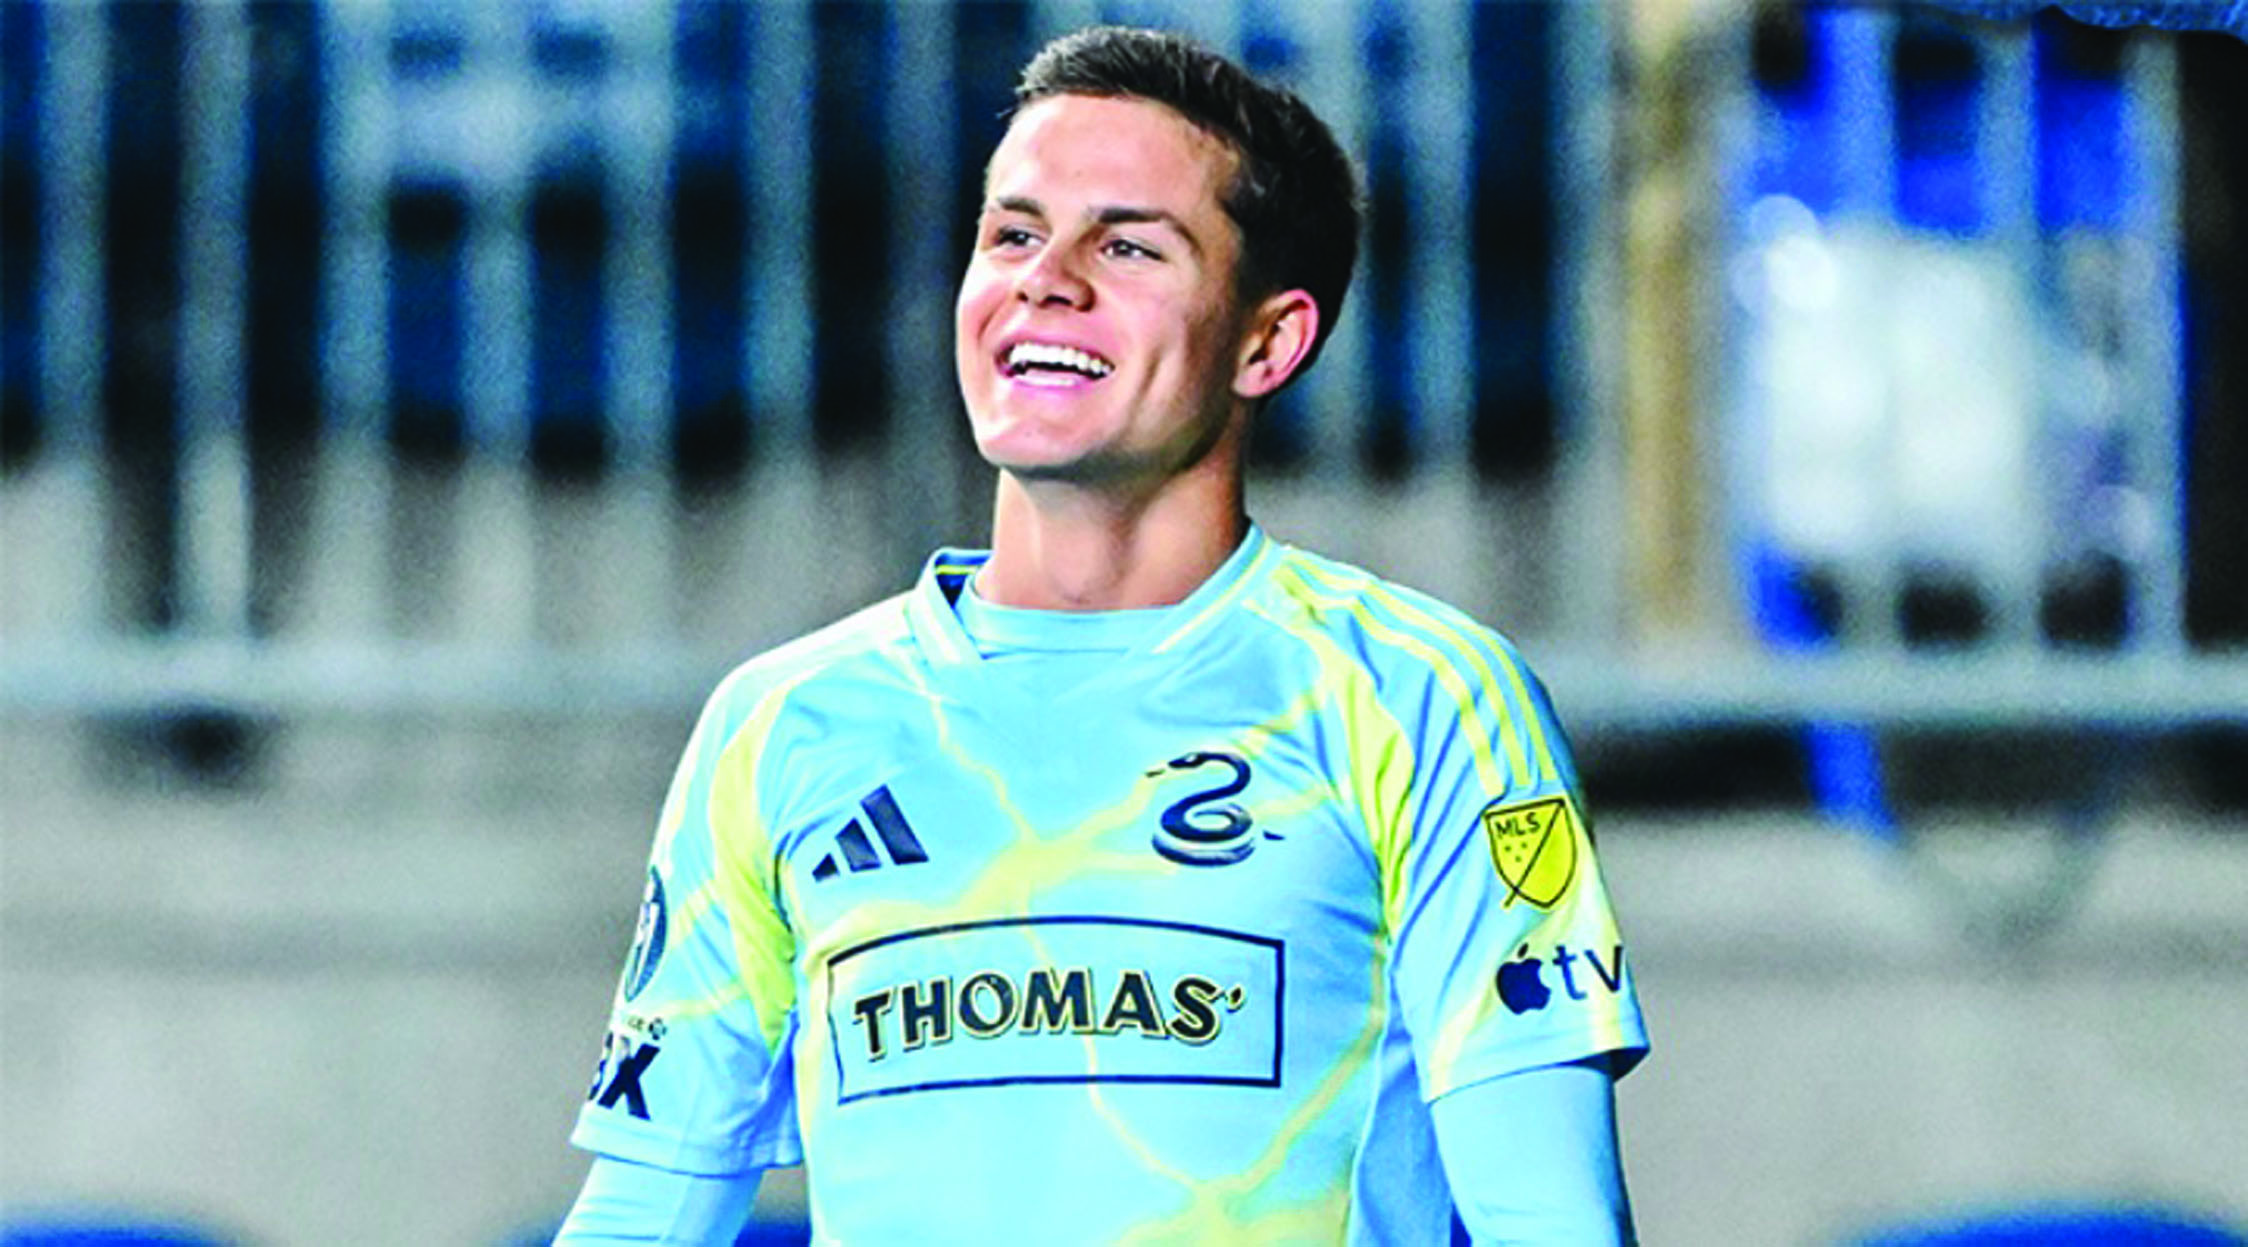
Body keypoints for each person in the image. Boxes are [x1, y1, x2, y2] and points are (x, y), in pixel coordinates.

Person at [558, 25, 1648, 1245]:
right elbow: (647, 1208)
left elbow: (1546, 1214)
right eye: (1013, 234)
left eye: (1127, 245)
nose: (1046, 279)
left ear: (1268, 340)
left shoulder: (1419, 694)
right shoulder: (783, 721)